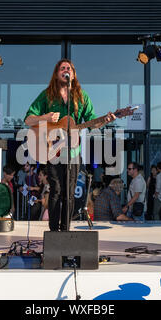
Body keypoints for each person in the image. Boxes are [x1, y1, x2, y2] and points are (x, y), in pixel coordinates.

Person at [24, 59, 116, 231]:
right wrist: (45, 117)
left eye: (69, 69)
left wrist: (105, 121)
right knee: (56, 190)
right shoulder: (47, 95)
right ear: (57, 73)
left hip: (73, 152)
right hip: (54, 152)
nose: (66, 71)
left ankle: (65, 231)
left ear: (73, 74)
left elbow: (91, 122)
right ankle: (53, 231)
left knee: (69, 193)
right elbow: (28, 119)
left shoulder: (82, 97)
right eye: (62, 68)